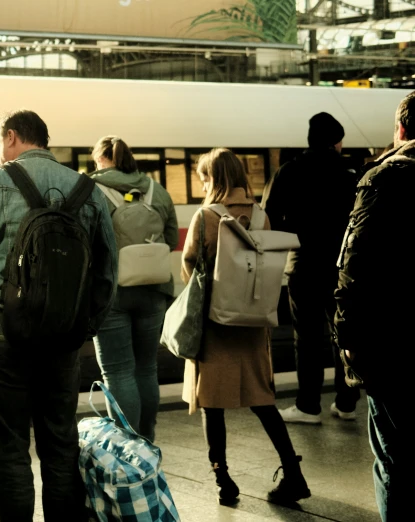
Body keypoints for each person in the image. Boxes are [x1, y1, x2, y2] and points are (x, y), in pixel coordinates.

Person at [0, 109, 117, 521]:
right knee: (60, 446)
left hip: (0, 333)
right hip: (62, 337)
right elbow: (107, 272)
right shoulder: (88, 190)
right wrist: (84, 325)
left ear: (11, 136)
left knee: (8, 449)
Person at [182, 148, 310, 505]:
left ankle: (224, 480)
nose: (203, 184)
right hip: (253, 325)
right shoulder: (261, 217)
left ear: (214, 178)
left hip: (215, 324)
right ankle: (293, 472)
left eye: (205, 177)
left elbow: (190, 266)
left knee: (212, 404)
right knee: (263, 401)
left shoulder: (206, 216)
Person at [334, 92, 415, 521]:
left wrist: (347, 338)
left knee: (395, 457)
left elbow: (355, 265)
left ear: (401, 130)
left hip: (395, 342)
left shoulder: (387, 177)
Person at [263, 112, 361, 424]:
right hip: (340, 268)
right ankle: (346, 403)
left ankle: (308, 406)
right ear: (336, 141)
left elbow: (270, 218)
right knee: (342, 334)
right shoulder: (349, 174)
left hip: (302, 265)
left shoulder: (289, 171)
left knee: (306, 338)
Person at [90, 135, 178, 442]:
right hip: (154, 288)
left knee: (118, 372)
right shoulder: (157, 190)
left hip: (111, 290)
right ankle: (148, 439)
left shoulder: (92, 189)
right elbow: (172, 239)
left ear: (101, 160)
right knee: (146, 369)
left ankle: (128, 443)